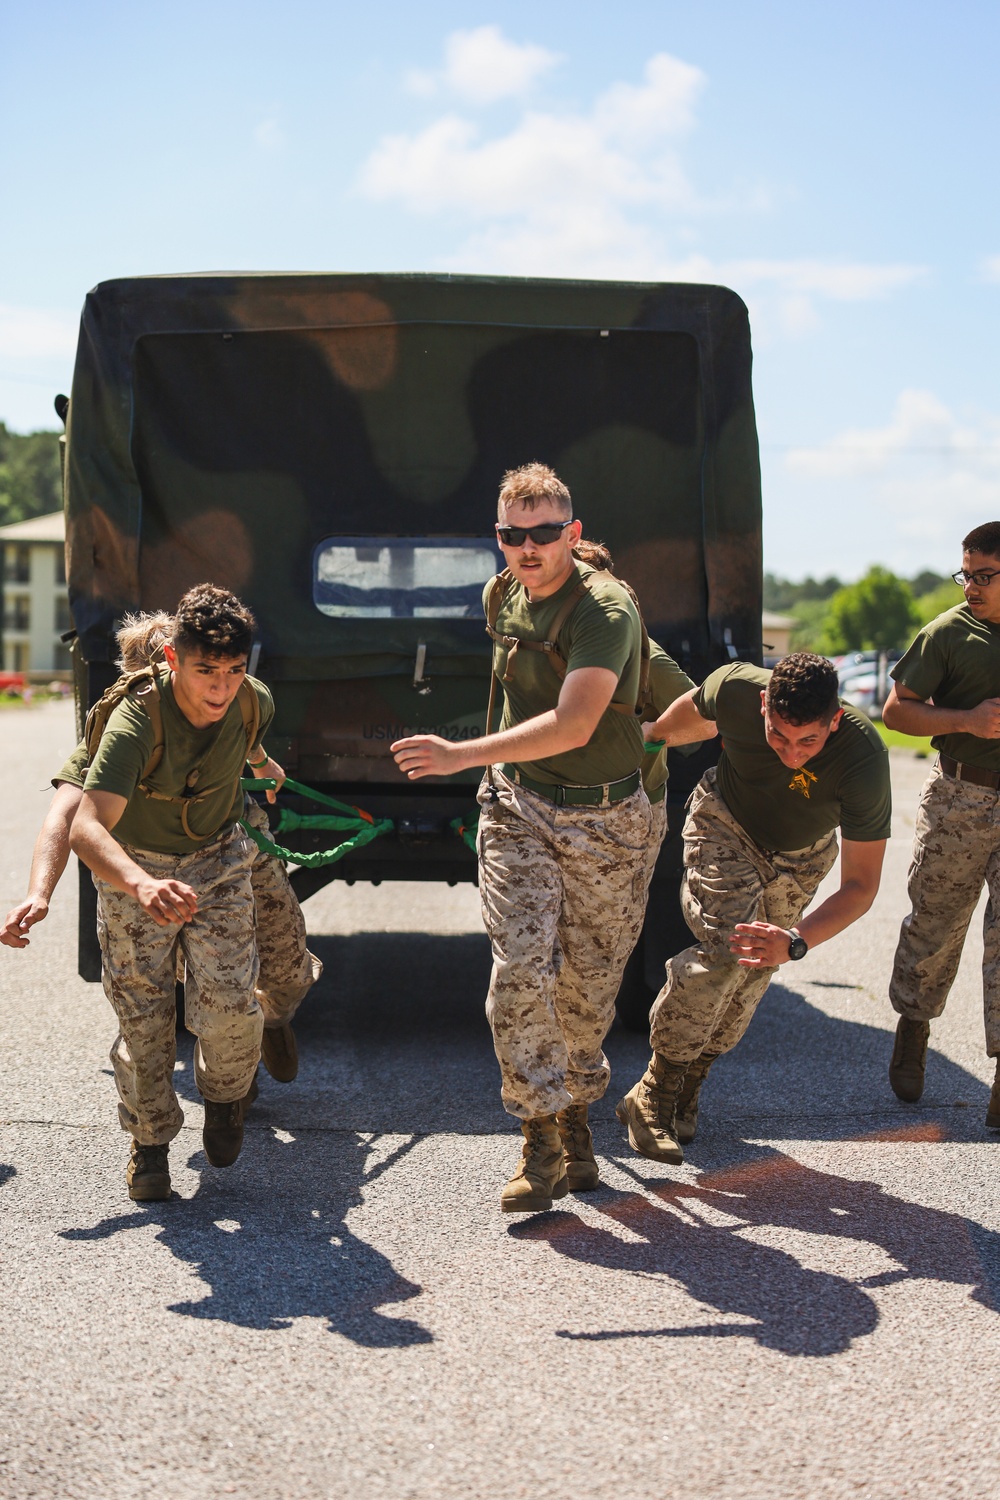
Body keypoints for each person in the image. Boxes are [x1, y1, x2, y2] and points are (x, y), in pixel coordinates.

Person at [392, 463, 653, 1213]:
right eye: (514, 534)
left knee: (589, 988)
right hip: (518, 806)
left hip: (606, 817)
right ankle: (539, 1135)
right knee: (519, 970)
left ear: (572, 534)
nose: (529, 547)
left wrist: (458, 753)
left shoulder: (604, 610)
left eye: (545, 533)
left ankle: (576, 1109)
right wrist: (489, 768)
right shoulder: (502, 593)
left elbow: (576, 723)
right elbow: (519, 693)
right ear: (499, 539)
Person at [1, 614, 321, 1088]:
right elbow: (64, 817)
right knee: (205, 978)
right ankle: (233, 1070)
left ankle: (269, 1022)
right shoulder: (122, 732)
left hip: (240, 844)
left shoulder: (227, 701)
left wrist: (262, 762)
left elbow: (249, 734)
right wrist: (38, 892)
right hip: (162, 869)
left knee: (289, 964)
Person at [617, 652, 891, 1162]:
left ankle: (690, 1081)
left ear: (835, 720)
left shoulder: (863, 760)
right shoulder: (738, 688)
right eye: (778, 735)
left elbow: (861, 886)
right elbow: (682, 716)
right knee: (730, 949)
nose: (792, 753)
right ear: (764, 705)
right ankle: (654, 1091)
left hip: (800, 859)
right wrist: (649, 739)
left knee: (755, 968)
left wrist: (797, 942)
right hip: (726, 825)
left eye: (809, 740)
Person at [68, 585, 282, 1203]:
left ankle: (224, 1100)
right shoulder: (137, 720)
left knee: (231, 1007)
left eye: (234, 671)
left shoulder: (251, 701)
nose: (220, 688)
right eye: (205, 671)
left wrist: (266, 769)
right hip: (135, 869)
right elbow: (85, 824)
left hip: (216, 862)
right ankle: (151, 1145)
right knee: (144, 1019)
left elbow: (252, 740)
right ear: (170, 658)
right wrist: (139, 881)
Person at [882, 522, 1000, 1121]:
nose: (971, 586)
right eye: (967, 574)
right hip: (961, 797)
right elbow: (897, 711)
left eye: (984, 576)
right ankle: (914, 1025)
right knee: (936, 922)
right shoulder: (950, 633)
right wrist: (968, 721)